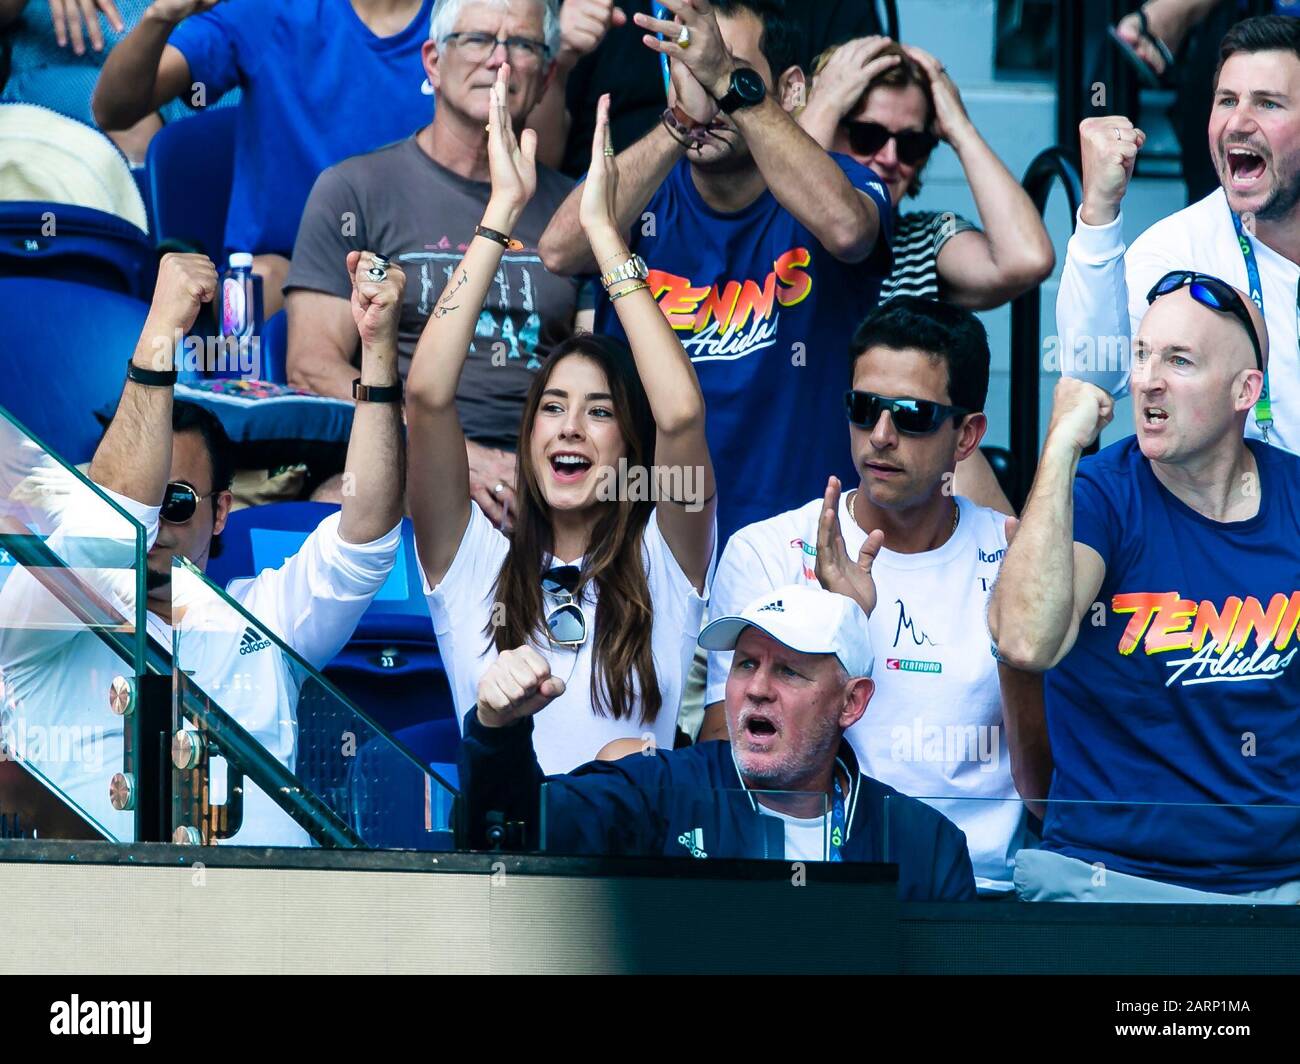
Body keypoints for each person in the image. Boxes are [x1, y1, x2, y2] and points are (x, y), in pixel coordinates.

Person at [0, 248, 406, 844]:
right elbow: (113, 533)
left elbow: (366, 539)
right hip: (104, 919)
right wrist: (161, 330)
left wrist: (375, 355)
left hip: (274, 915)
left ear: (221, 513)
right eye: (141, 495)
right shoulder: (36, 614)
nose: (153, 524)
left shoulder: (264, 616)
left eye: (179, 502)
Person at [406, 74, 716, 773]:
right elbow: (426, 397)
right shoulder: (472, 562)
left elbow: (683, 412)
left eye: (600, 411)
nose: (570, 427)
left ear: (631, 449)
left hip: (630, 872)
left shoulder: (668, 560)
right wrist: (500, 214)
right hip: (500, 867)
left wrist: (605, 238)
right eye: (552, 408)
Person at [699, 298, 1028, 892]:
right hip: (808, 887)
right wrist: (838, 625)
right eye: (864, 408)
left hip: (980, 893)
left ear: (967, 435)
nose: (881, 435)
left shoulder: (1012, 561)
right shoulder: (767, 551)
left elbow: (1053, 786)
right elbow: (728, 757)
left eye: (913, 415)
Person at [539, 0, 897, 544]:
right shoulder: (646, 192)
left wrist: (725, 78)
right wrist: (681, 121)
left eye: (730, 71)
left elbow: (848, 231)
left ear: (791, 91)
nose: (710, 92)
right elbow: (560, 251)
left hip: (796, 551)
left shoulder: (839, 184)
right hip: (645, 547)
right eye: (691, 71)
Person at [990, 274, 1300, 902]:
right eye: (1141, 355)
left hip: (1280, 887)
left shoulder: (1294, 498)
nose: (1146, 380)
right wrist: (1061, 446)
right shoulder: (1102, 493)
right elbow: (1024, 641)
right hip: (1110, 878)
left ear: (1247, 390)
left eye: (1178, 361)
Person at [459, 582, 977, 901]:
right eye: (746, 663)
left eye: (790, 672)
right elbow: (516, 830)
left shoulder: (925, 846)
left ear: (851, 702)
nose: (756, 688)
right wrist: (497, 730)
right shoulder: (662, 792)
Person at [287, 0, 580, 531]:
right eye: (476, 39)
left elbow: (600, 374)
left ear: (547, 76)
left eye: (522, 45)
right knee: (336, 505)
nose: (499, 60)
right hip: (401, 460)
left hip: (544, 477)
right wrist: (451, 453)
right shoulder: (355, 190)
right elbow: (312, 366)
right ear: (432, 61)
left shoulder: (575, 215)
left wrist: (547, 471)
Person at [90, 0, 437, 315]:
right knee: (247, 291)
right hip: (283, 271)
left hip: (425, 265)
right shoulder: (270, 9)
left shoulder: (467, 23)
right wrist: (159, 18)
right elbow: (115, 110)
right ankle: (226, 386)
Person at [1057, 15, 1300, 456]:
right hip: (1231, 521)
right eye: (1226, 101)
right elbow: (1092, 375)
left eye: (1267, 104)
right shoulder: (1177, 248)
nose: (1238, 123)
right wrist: (1098, 212)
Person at [799, 38, 1055, 310]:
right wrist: (824, 103)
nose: (889, 158)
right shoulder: (761, 234)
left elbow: (1028, 259)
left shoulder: (924, 242)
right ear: (831, 125)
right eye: (868, 136)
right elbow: (773, 212)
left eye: (911, 144)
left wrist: (961, 129)